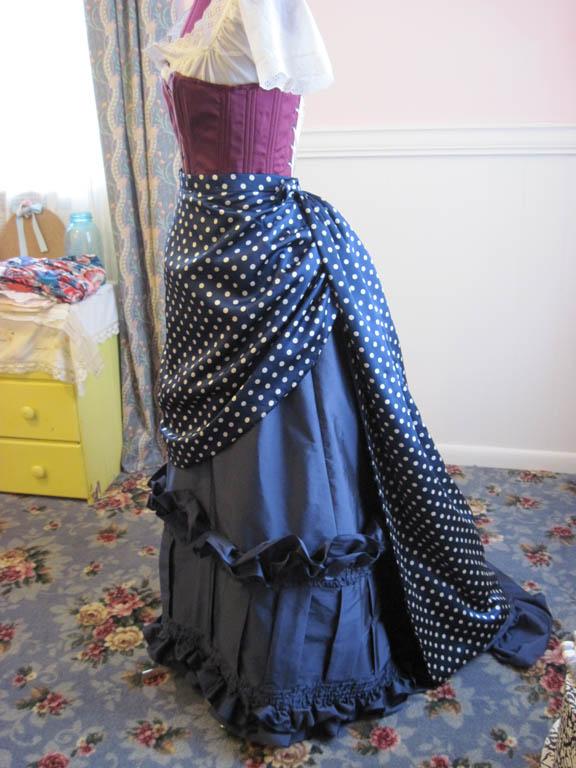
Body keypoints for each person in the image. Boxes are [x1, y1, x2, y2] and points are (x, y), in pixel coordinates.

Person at [143, 0, 553, 747]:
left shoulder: (262, 7)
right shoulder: (195, 8)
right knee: (216, 466)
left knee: (287, 465)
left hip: (266, 255)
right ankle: (212, 633)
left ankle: (294, 666)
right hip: (200, 241)